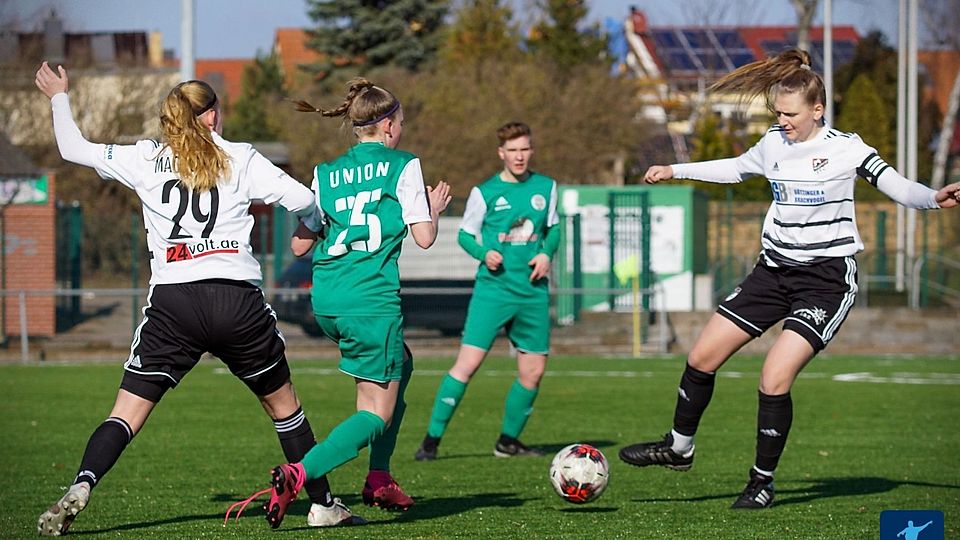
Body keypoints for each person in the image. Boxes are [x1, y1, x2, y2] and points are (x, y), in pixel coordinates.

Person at [617, 48, 960, 509]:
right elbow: (736, 168)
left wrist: (933, 198)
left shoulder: (847, 149)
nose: (783, 121)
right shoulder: (774, 144)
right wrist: (675, 169)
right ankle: (679, 448)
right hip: (772, 272)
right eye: (778, 112)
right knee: (700, 357)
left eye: (791, 114)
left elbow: (896, 185)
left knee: (773, 377)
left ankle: (761, 481)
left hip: (825, 280)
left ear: (817, 110)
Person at [33, 62, 363, 536]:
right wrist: (310, 226)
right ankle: (324, 504)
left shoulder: (145, 158)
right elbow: (307, 202)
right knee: (285, 408)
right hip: (235, 300)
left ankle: (83, 484)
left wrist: (59, 96)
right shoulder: (241, 158)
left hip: (174, 304)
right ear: (210, 116)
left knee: (125, 413)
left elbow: (72, 147)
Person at [226, 78, 450, 529]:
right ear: (387, 126)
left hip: (327, 300)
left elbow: (298, 247)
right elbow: (424, 239)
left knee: (399, 365)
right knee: (375, 413)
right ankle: (298, 473)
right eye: (401, 122)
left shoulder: (325, 173)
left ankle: (379, 477)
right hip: (370, 301)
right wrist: (433, 207)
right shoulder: (403, 165)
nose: (401, 131)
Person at [414, 121, 560, 461]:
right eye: (513, 150)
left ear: (531, 150)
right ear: (501, 153)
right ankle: (431, 441)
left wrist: (545, 252)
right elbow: (465, 235)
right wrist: (484, 253)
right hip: (493, 290)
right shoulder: (485, 192)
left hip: (532, 291)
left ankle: (508, 442)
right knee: (467, 365)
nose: (519, 156)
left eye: (524, 149)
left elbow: (553, 229)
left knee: (533, 372)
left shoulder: (546, 187)